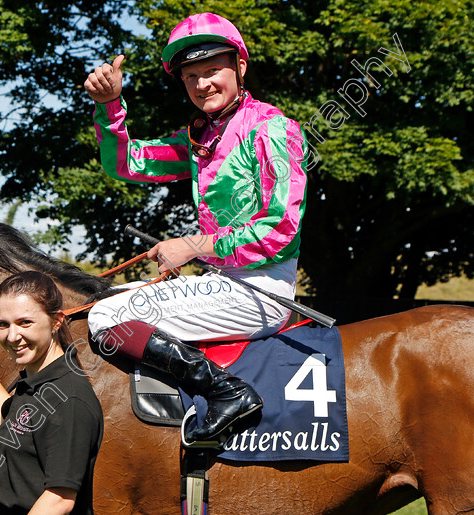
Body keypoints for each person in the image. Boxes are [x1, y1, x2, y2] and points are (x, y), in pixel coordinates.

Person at [83, 13, 308, 443]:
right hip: (222, 283)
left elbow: (281, 228)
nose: (202, 84)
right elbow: (124, 163)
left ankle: (227, 392)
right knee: (104, 297)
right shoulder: (198, 138)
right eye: (191, 77)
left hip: (262, 289)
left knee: (106, 316)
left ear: (240, 67)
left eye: (212, 71)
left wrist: (192, 245)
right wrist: (110, 106)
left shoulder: (273, 128)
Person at [0, 271, 103, 515]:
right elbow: (8, 423)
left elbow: (59, 499)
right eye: (3, 324)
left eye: (24, 323)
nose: (12, 336)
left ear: (57, 321)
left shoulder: (68, 399)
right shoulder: (36, 384)